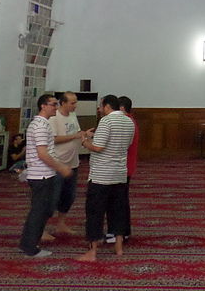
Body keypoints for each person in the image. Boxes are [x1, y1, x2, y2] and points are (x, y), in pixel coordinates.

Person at [77, 94, 135, 262]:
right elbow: (126, 144)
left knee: (95, 212)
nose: (99, 109)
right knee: (117, 211)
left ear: (107, 106)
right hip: (119, 174)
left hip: (101, 176)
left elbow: (98, 147)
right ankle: (118, 247)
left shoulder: (106, 121)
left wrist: (84, 141)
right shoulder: (128, 121)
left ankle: (92, 251)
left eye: (101, 106)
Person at [19, 94, 73, 258]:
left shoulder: (42, 124)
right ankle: (30, 247)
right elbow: (42, 154)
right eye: (53, 104)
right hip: (41, 175)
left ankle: (28, 243)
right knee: (39, 211)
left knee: (39, 210)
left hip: (43, 173)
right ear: (43, 106)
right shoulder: (41, 126)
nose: (56, 107)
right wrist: (61, 168)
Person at [50, 91, 92, 236]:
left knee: (69, 196)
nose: (76, 105)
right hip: (57, 163)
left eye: (76, 102)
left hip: (73, 162)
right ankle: (40, 228)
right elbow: (53, 138)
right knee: (52, 196)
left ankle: (61, 224)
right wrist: (74, 136)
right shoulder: (54, 117)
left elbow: (77, 131)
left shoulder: (73, 116)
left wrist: (84, 134)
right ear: (63, 103)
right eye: (72, 103)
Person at [105, 95, 138, 244]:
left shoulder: (126, 122)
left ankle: (118, 232)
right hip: (125, 166)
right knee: (120, 201)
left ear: (122, 109)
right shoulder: (130, 121)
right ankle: (122, 231)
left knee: (117, 201)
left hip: (121, 167)